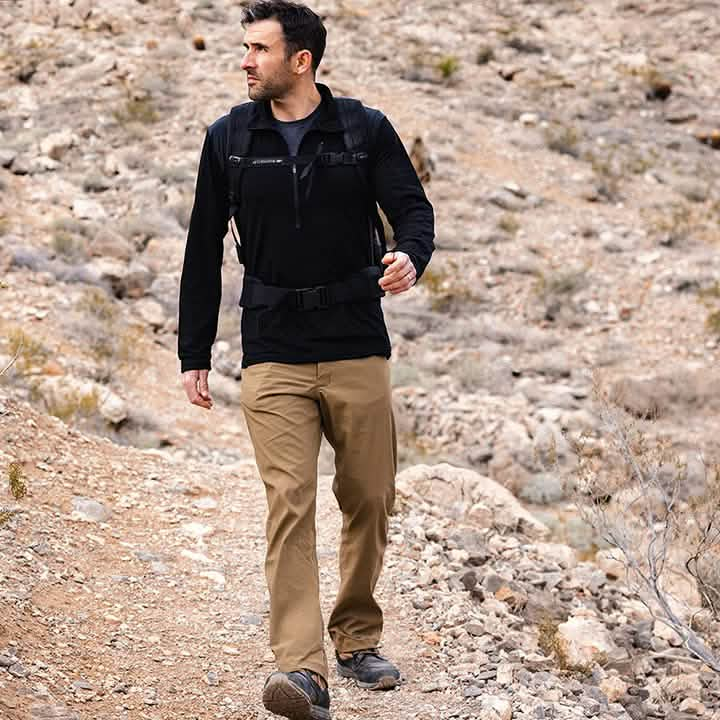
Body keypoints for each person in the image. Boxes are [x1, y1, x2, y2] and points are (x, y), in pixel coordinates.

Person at [177, 1, 434, 718]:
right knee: (289, 504)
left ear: (301, 60)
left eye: (258, 48)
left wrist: (412, 256)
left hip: (356, 341)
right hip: (272, 350)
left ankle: (356, 636)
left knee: (370, 496)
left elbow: (413, 211)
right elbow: (201, 249)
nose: (244, 60)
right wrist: (193, 352)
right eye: (244, 48)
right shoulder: (228, 137)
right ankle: (303, 669)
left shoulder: (363, 129)